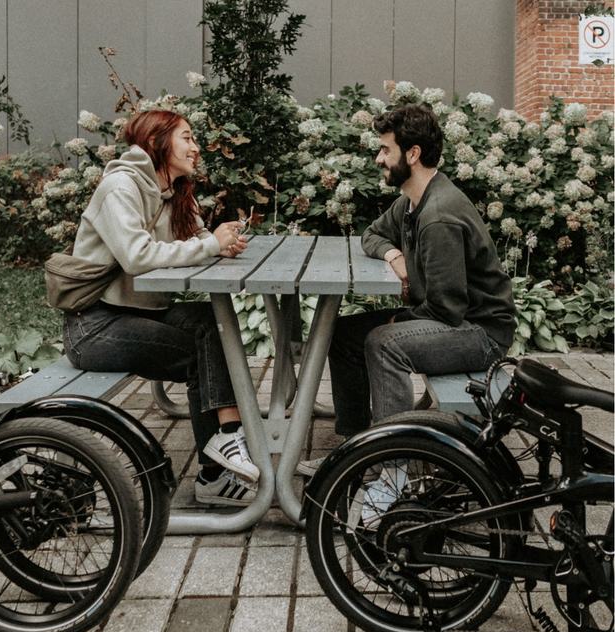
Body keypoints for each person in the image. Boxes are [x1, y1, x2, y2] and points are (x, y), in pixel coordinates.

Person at [299, 105, 515, 523]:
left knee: (383, 343)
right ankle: (357, 449)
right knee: (344, 334)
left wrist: (396, 322)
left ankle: (393, 469)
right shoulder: (413, 201)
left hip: (479, 333)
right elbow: (371, 234)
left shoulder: (438, 216)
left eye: (385, 150)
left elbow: (447, 310)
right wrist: (395, 253)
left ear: (412, 154)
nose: (378, 158)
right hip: (453, 318)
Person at [63, 109, 259, 506]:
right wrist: (209, 244)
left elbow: (199, 238)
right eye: (187, 137)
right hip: (94, 325)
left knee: (209, 323)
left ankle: (224, 446)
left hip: (137, 313)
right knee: (199, 354)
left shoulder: (174, 191)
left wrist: (223, 241)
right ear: (157, 142)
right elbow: (136, 256)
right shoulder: (120, 187)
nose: (196, 147)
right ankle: (219, 464)